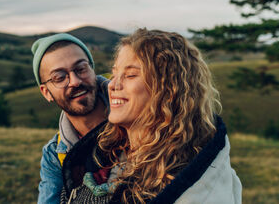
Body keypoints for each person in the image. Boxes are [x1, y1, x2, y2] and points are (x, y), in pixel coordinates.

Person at [62, 28, 242, 203]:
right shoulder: (102, 156)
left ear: (167, 90)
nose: (112, 84)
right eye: (115, 73)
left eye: (130, 75)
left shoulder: (193, 184)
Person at [31, 33, 110, 204]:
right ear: (46, 92)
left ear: (92, 69)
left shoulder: (139, 118)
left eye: (81, 69)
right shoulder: (54, 155)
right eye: (59, 77)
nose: (75, 81)